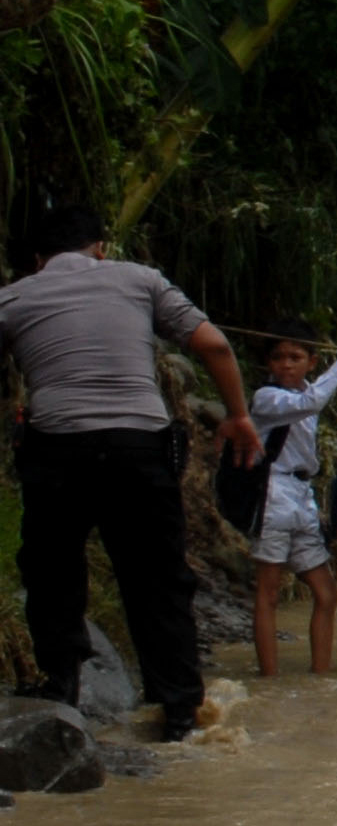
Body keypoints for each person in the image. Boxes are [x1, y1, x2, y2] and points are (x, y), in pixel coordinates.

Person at [0, 204, 258, 738]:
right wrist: (236, 416)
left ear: (37, 259)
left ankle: (60, 687)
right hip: (139, 446)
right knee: (158, 577)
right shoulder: (140, 280)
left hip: (57, 449)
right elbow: (213, 343)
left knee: (52, 569)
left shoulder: (16, 296)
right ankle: (181, 710)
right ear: (99, 247)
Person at [244, 325, 337, 678]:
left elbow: (312, 398)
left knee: (327, 593)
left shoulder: (309, 391)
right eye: (278, 357)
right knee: (269, 592)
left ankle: (320, 675)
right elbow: (311, 403)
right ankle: (270, 678)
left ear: (311, 362)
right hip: (272, 495)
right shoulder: (267, 398)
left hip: (301, 497)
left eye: (296, 357)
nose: (286, 365)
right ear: (269, 364)